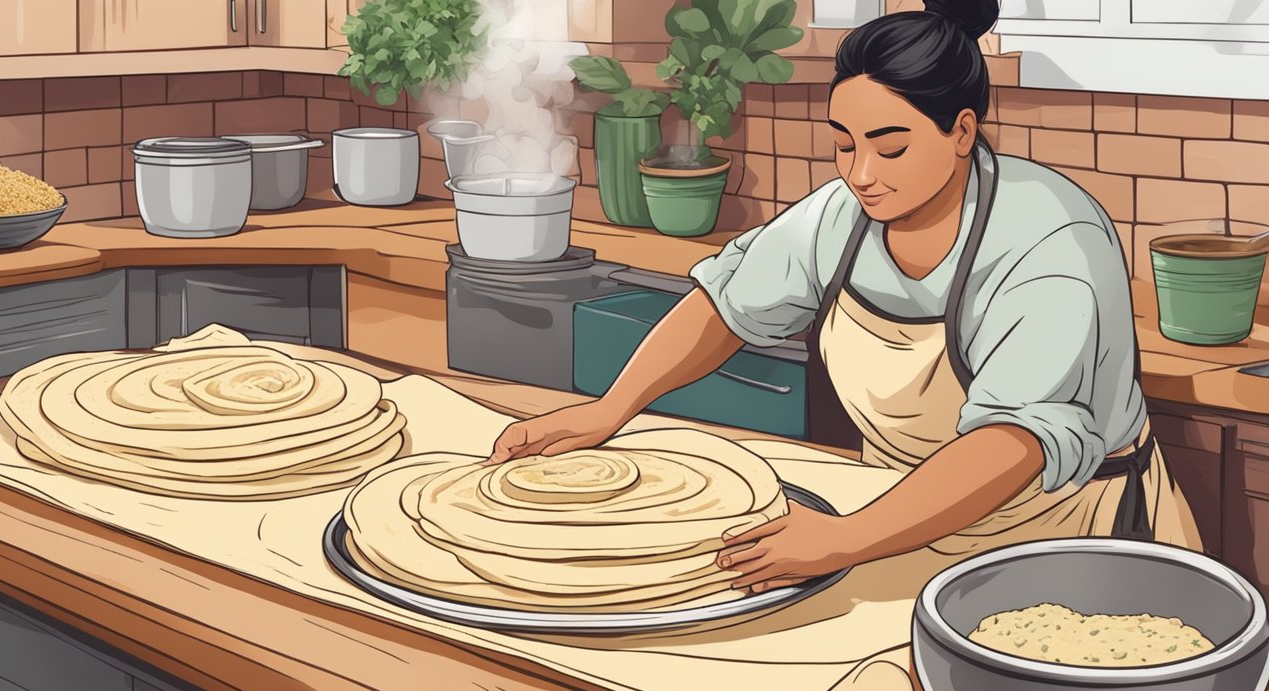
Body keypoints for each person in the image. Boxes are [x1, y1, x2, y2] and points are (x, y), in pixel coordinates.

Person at [487, 0, 1202, 593]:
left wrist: (846, 538)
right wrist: (611, 410)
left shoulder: (1050, 239)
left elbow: (1012, 442)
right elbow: (726, 305)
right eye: (843, 144)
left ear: (961, 132)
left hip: (1064, 539)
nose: (861, 173)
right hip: (898, 518)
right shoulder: (842, 216)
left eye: (890, 148)